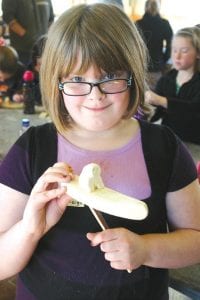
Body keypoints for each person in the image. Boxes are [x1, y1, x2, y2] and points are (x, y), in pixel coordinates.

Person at [0, 4, 200, 300]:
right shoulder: (31, 149)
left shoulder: (163, 147)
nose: (95, 95)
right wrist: (31, 228)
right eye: (78, 79)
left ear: (132, 75)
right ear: (57, 82)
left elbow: (195, 240)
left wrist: (146, 249)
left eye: (110, 76)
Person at [145, 26, 200, 145]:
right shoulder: (166, 79)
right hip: (169, 140)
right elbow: (156, 110)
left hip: (194, 144)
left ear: (198, 53)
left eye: (184, 51)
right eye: (174, 50)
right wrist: (144, 112)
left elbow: (194, 109)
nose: (177, 56)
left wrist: (161, 100)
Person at [1, 0, 54, 66]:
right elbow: (8, 17)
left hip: (43, 49)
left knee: (41, 74)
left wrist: (47, 39)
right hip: (22, 50)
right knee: (23, 74)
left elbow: (51, 19)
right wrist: (26, 35)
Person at [136, 0, 173, 90]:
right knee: (156, 95)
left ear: (145, 8)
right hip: (157, 65)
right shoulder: (164, 23)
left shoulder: (138, 24)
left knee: (142, 95)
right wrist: (164, 59)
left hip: (141, 65)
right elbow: (171, 44)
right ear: (159, 8)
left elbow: (132, 45)